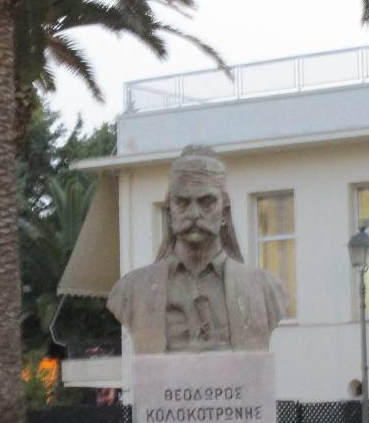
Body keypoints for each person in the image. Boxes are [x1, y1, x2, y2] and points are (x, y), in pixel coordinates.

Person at [107, 145, 287, 354]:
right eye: (182, 202)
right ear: (169, 214)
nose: (193, 214)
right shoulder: (132, 289)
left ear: (225, 213)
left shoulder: (265, 289)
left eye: (206, 202)